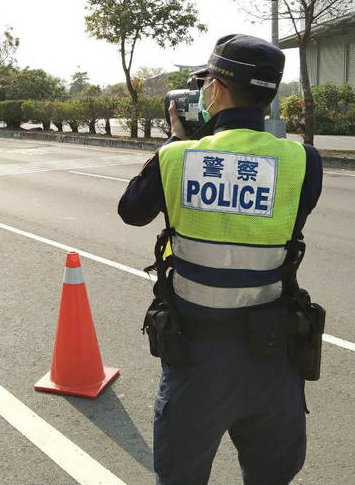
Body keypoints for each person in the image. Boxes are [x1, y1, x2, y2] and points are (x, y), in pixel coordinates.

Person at [118, 34, 323, 485]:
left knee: (181, 475)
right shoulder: (303, 161)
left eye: (207, 81)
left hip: (196, 356)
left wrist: (179, 143)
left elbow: (131, 211)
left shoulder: (177, 157)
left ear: (216, 88)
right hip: (274, 354)